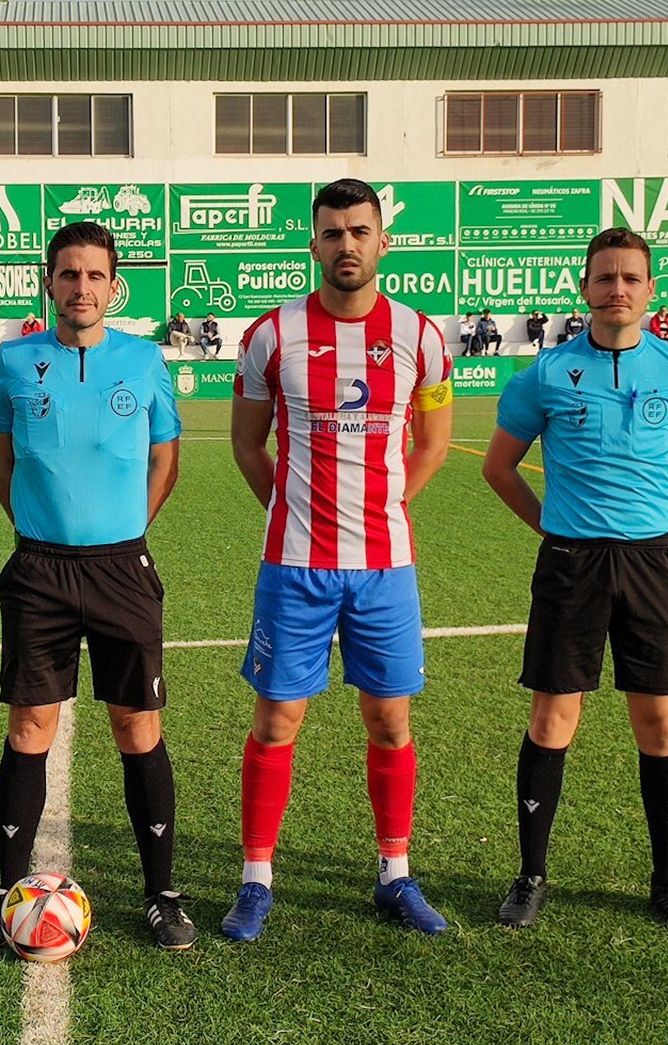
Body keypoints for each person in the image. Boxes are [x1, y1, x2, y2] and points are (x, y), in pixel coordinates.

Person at [482, 226, 668, 933]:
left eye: (631, 278)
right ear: (585, 288)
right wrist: (550, 527)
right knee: (552, 718)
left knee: (660, 722)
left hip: (653, 562)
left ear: (650, 290)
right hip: (572, 563)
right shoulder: (547, 372)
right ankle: (531, 877)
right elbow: (498, 467)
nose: (617, 289)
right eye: (605, 277)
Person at [220, 178, 455, 942]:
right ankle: (257, 879)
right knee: (278, 717)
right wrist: (289, 511)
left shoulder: (422, 336)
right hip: (295, 564)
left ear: (383, 241)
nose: (346, 244)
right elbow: (247, 445)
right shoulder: (272, 335)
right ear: (313, 244)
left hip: (386, 567)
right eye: (332, 232)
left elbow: (434, 444)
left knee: (389, 720)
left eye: (360, 231)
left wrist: (388, 507)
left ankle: (395, 873)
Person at [0, 221, 192, 950]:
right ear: (49, 281)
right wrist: (40, 533)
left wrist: (125, 533)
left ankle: (162, 894)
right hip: (39, 571)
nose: (82, 288)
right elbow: (0, 469)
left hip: (123, 567)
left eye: (95, 276)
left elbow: (166, 462)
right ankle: (6, 890)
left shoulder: (143, 359)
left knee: (138, 730)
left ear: (113, 284)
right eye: (69, 275)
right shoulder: (11, 362)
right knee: (29, 729)